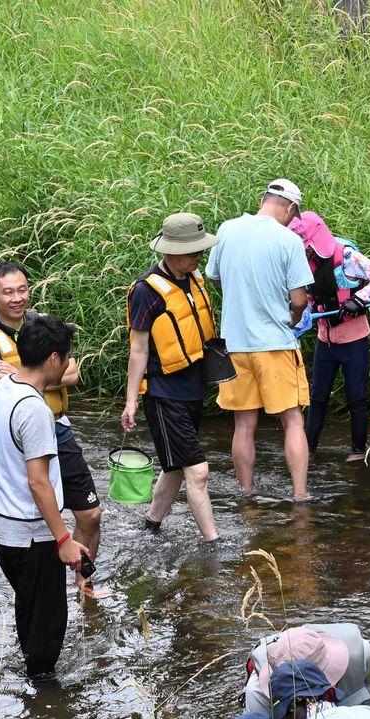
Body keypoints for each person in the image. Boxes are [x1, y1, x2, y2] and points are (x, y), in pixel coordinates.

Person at [0, 261, 107, 597]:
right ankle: (45, 583)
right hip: (19, 434)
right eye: (7, 292)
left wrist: (24, 371)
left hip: (58, 427)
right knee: (36, 504)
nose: (17, 298)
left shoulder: (42, 325)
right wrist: (40, 375)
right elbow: (16, 384)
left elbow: (71, 372)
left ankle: (84, 582)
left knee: (90, 513)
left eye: (22, 290)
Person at [0, 312, 85, 677]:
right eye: (68, 356)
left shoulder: (4, 389)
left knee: (28, 606)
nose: (70, 363)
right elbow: (38, 482)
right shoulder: (35, 410)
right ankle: (45, 699)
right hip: (31, 535)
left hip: (2, 528)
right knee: (48, 623)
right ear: (54, 359)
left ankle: (29, 685)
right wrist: (64, 539)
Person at [205, 179, 314, 501]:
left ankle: (246, 492)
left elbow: (215, 276)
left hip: (234, 345)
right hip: (275, 344)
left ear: (263, 199)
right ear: (291, 207)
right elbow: (299, 300)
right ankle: (300, 494)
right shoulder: (289, 239)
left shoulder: (226, 229)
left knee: (244, 424)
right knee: (293, 421)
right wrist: (293, 320)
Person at [119, 213, 221, 541]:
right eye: (194, 252)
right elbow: (138, 349)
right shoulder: (146, 291)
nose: (199, 257)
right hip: (163, 393)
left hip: (193, 386)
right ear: (172, 252)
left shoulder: (192, 278)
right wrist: (131, 401)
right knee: (198, 471)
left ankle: (151, 525)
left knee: (175, 466)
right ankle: (214, 545)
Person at [288, 211, 370, 463]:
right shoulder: (304, 265)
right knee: (318, 395)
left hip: (354, 340)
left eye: (306, 247)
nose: (304, 252)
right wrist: (292, 331)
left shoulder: (345, 257)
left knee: (356, 396)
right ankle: (308, 450)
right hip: (326, 339)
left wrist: (359, 299)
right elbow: (309, 304)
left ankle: (358, 451)